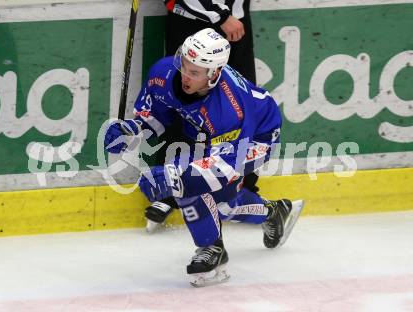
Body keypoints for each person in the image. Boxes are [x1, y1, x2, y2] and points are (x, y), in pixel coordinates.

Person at [104, 28, 304, 287]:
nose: (185, 75)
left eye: (195, 72)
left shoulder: (230, 110)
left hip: (254, 138)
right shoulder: (164, 72)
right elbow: (157, 114)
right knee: (201, 191)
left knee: (201, 190)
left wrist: (174, 179)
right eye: (184, 64)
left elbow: (223, 168)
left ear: (214, 74)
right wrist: (132, 129)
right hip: (204, 131)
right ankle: (273, 212)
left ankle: (215, 248)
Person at [144, 0, 259, 232]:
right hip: (193, 26)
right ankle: (169, 190)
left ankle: (241, 186)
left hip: (235, 24)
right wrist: (221, 17)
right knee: (182, 104)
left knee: (243, 106)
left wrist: (228, 17)